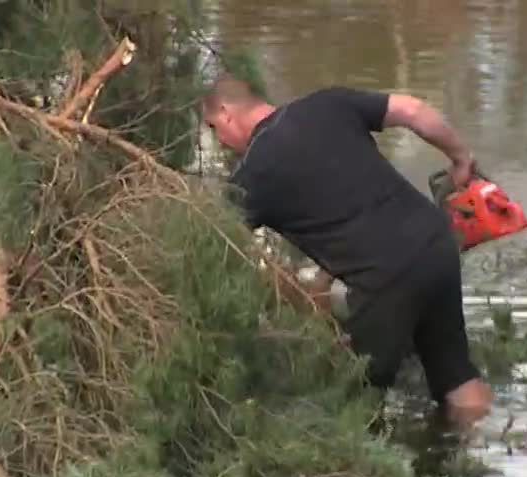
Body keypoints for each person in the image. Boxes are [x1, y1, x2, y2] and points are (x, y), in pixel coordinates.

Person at [200, 75, 494, 431]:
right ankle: (478, 457)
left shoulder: (252, 176)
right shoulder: (327, 102)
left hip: (386, 276)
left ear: (227, 113)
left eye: (215, 128)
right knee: (457, 377)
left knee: (355, 399)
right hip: (436, 241)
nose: (220, 141)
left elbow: (215, 245)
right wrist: (461, 157)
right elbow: (413, 109)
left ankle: (365, 475)